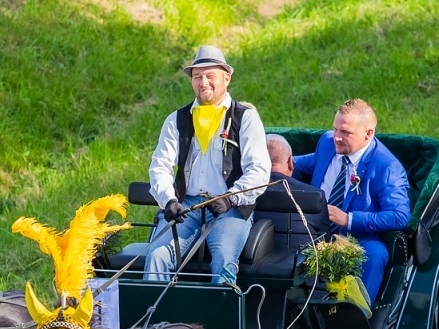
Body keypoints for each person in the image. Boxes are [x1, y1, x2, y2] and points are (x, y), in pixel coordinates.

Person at [144, 45, 270, 285]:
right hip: (187, 206)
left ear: (226, 77)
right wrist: (169, 201)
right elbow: (159, 166)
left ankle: (216, 321)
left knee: (223, 259)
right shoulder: (176, 119)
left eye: (210, 75)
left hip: (230, 207)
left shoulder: (245, 118)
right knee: (157, 255)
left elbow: (259, 171)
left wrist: (232, 197)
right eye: (197, 76)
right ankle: (156, 322)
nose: (204, 82)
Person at [291, 99, 410, 304]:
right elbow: (306, 163)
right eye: (335, 129)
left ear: (368, 133)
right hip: (313, 231)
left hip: (357, 238)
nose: (337, 137)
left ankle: (359, 320)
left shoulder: (387, 167)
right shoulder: (327, 143)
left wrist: (348, 219)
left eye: (345, 132)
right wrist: (272, 163)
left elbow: (399, 215)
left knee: (374, 253)